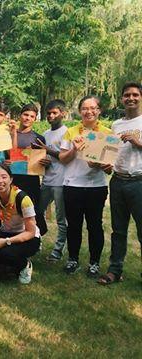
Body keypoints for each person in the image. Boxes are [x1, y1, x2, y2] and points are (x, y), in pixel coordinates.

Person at [59, 95, 112, 277]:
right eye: (85, 108)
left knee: (94, 225)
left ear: (99, 110)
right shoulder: (71, 131)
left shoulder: (107, 133)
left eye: (93, 108)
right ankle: (73, 259)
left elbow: (110, 168)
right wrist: (74, 149)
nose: (89, 111)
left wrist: (103, 165)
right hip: (72, 185)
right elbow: (62, 159)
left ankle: (94, 263)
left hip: (96, 187)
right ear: (80, 111)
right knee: (73, 225)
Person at [99, 82, 142, 285]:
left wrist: (138, 142)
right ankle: (114, 271)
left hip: (139, 182)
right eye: (127, 95)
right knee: (118, 230)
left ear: (141, 97)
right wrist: (107, 166)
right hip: (117, 181)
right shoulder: (116, 125)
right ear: (121, 98)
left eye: (135, 94)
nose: (130, 98)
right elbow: (111, 153)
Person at [35, 100, 68, 261]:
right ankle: (36, 241)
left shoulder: (67, 132)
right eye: (48, 113)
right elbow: (46, 158)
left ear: (63, 113)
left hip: (61, 182)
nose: (51, 116)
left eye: (55, 113)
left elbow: (67, 158)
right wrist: (44, 160)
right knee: (36, 213)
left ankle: (57, 251)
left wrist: (48, 151)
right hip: (46, 180)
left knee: (61, 219)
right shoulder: (46, 134)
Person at [11, 103, 47, 236]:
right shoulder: (10, 134)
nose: (28, 118)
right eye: (25, 114)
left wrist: (45, 162)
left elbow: (42, 161)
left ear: (35, 119)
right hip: (13, 179)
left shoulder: (38, 138)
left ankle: (36, 235)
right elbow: (6, 155)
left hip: (31, 181)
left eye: (32, 116)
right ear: (20, 115)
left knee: (32, 209)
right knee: (14, 209)